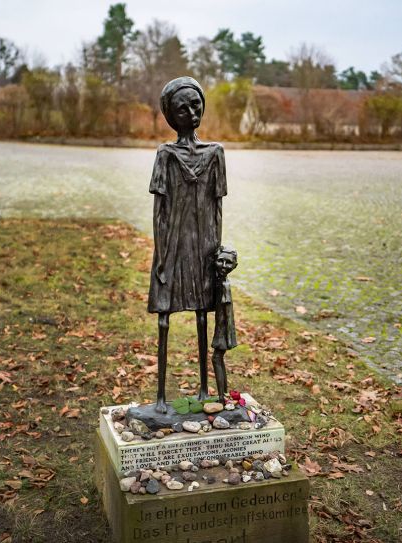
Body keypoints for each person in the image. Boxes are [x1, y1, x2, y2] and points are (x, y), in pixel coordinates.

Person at [147, 76, 227, 413]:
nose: (192, 113)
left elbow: (218, 207)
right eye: (183, 108)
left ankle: (205, 388)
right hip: (174, 246)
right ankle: (161, 396)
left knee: (201, 316)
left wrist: (218, 255)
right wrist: (162, 257)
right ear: (171, 115)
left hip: (204, 246)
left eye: (196, 105)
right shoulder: (165, 154)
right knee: (165, 319)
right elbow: (159, 212)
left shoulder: (215, 154)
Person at [211, 246, 238, 402]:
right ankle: (224, 394)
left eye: (228, 263)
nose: (223, 266)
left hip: (223, 329)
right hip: (222, 328)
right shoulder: (221, 281)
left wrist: (226, 337)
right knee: (218, 359)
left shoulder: (224, 285)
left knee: (216, 358)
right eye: (220, 261)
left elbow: (226, 314)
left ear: (234, 266)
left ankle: (222, 396)